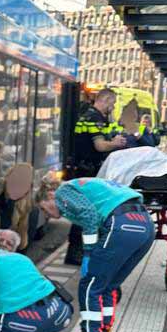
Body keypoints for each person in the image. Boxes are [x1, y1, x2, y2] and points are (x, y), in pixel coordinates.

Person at [39, 177, 155, 332]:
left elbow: (89, 216)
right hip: (145, 225)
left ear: (50, 195)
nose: (47, 215)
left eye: (44, 208)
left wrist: (88, 253)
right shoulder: (83, 187)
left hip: (122, 224)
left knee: (89, 286)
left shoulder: (63, 192)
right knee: (107, 287)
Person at [65, 89, 128, 264]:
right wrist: (115, 144)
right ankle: (77, 253)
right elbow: (100, 146)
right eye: (113, 103)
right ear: (106, 100)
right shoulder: (95, 117)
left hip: (83, 169)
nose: (113, 106)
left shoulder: (89, 115)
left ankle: (77, 252)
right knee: (86, 212)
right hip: (88, 171)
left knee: (82, 211)